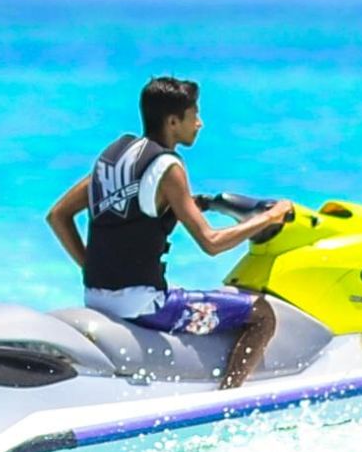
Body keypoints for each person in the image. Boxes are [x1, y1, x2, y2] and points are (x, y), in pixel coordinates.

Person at [45, 76, 293, 390]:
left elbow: (58, 215)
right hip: (143, 306)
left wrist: (90, 266)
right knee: (261, 314)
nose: (200, 123)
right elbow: (211, 243)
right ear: (173, 121)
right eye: (195, 115)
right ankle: (227, 398)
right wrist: (270, 216)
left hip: (95, 296)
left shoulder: (113, 160)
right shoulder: (168, 167)